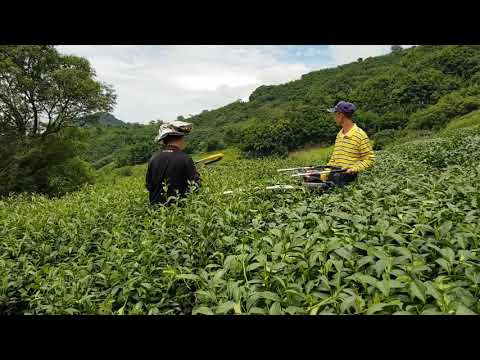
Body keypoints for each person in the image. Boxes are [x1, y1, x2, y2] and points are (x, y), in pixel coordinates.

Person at [320, 101, 375, 186]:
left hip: (349, 181)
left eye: (335, 114)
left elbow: (370, 160)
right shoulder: (339, 135)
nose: (334, 117)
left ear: (341, 115)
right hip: (335, 177)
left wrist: (354, 169)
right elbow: (334, 158)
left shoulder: (359, 135)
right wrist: (325, 172)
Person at [145, 121, 200, 206]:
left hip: (156, 214)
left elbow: (149, 186)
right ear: (180, 138)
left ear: (164, 140)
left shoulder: (153, 159)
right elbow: (195, 187)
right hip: (177, 213)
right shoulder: (185, 158)